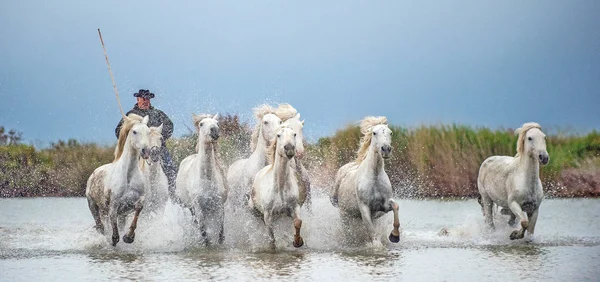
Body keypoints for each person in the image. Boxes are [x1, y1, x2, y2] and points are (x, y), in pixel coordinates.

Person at [115, 89, 177, 198]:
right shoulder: (131, 115)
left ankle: (173, 194)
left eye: (147, 99)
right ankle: (120, 192)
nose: (145, 101)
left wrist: (157, 135)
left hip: (158, 148)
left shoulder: (158, 113)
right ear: (138, 99)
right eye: (143, 99)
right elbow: (118, 131)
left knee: (170, 167)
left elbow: (169, 126)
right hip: (138, 150)